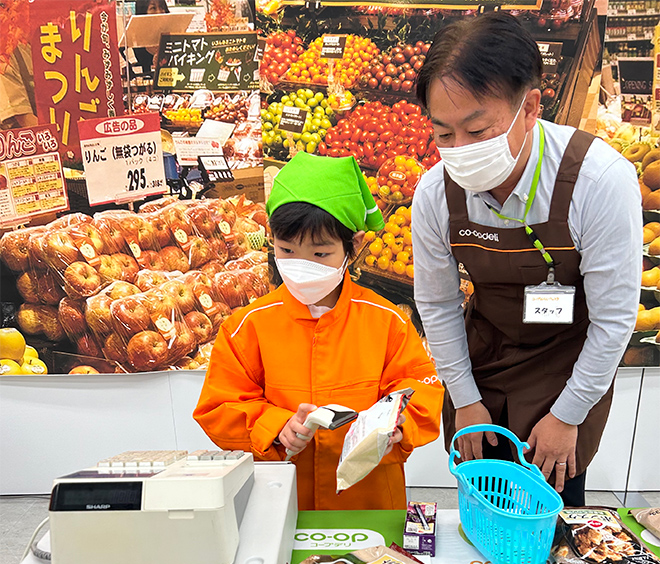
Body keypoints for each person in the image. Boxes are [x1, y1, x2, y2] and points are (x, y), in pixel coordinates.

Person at [412, 12, 642, 507]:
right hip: (485, 358)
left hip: (567, 363)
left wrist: (569, 414)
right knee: (483, 502)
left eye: (477, 130)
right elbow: (437, 303)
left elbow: (614, 319)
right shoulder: (435, 194)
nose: (459, 150)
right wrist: (466, 399)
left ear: (531, 106)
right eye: (443, 134)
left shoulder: (598, 181)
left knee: (553, 504)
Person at [194, 152, 443, 510]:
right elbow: (219, 406)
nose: (301, 266)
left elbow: (422, 388)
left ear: (353, 246)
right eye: (287, 250)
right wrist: (275, 426)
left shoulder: (386, 321)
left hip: (368, 501)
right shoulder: (247, 327)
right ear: (272, 242)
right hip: (281, 503)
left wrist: (399, 424)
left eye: (320, 254)